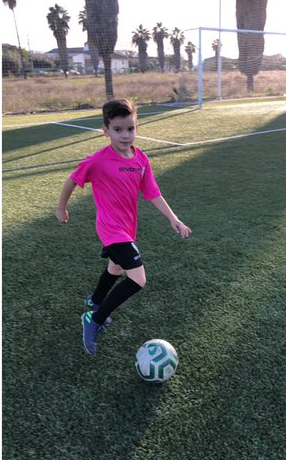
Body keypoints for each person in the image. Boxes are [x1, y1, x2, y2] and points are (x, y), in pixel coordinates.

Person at [57, 98, 191, 355]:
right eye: (118, 130)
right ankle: (93, 320)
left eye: (130, 128)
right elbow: (72, 180)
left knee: (116, 268)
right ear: (105, 130)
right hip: (110, 229)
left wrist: (173, 218)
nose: (126, 135)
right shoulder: (99, 160)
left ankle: (95, 301)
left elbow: (152, 193)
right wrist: (61, 208)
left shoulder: (141, 159)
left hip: (127, 228)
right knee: (138, 279)